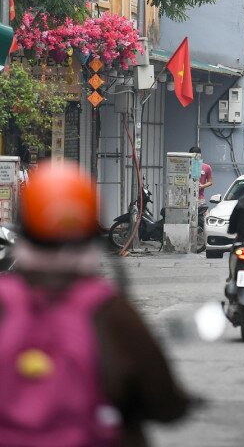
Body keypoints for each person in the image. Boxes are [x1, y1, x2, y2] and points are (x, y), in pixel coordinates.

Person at [0, 161, 190, 445]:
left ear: (23, 228)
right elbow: (165, 403)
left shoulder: (4, 302)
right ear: (90, 229)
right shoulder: (109, 311)